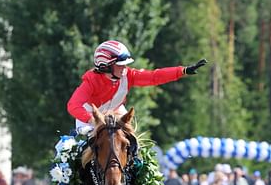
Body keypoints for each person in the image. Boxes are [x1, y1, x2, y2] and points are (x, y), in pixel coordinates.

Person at [67, 40, 207, 129]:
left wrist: (182, 71)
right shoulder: (91, 81)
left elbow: (154, 77)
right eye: (120, 65)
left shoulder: (128, 75)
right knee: (78, 152)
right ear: (106, 66)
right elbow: (73, 106)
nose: (124, 68)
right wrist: (93, 120)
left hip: (115, 112)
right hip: (89, 120)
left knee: (133, 144)